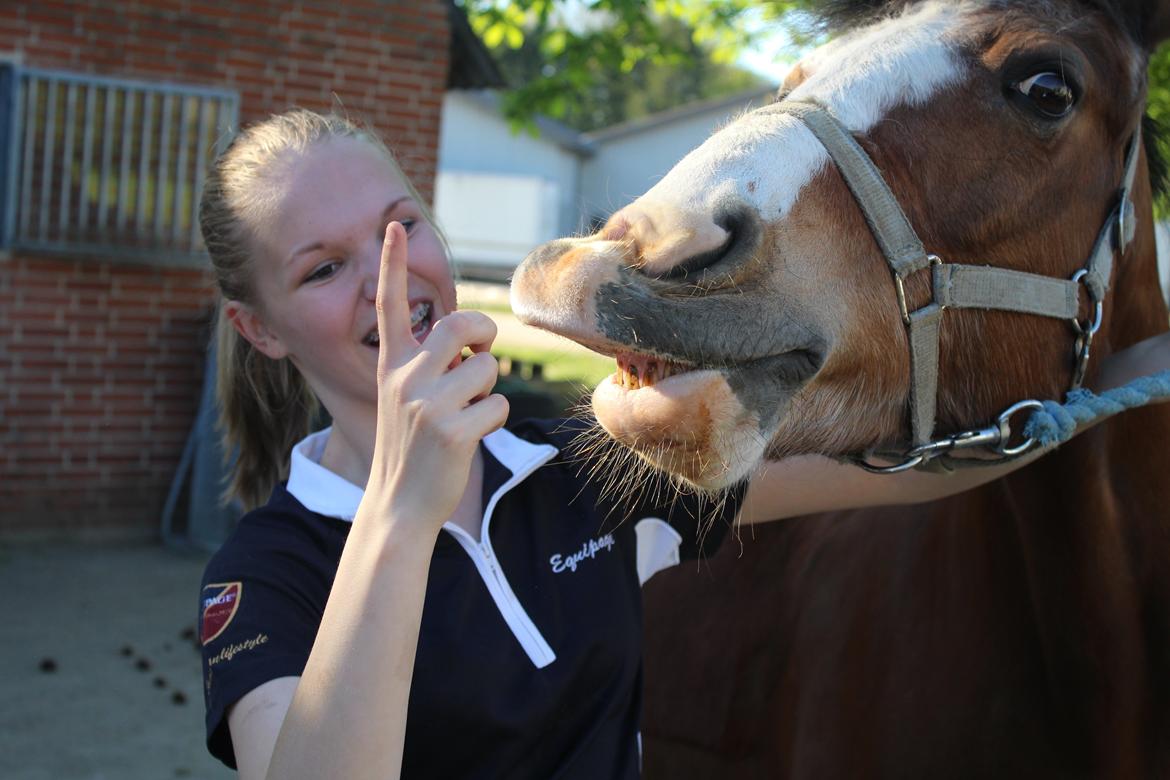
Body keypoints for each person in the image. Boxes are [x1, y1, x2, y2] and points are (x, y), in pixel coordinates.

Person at [196, 109, 1169, 780]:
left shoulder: (579, 467)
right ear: (261, 329)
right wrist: (404, 515)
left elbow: (904, 474)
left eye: (402, 224)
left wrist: (1126, 383)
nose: (388, 279)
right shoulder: (266, 575)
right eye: (326, 268)